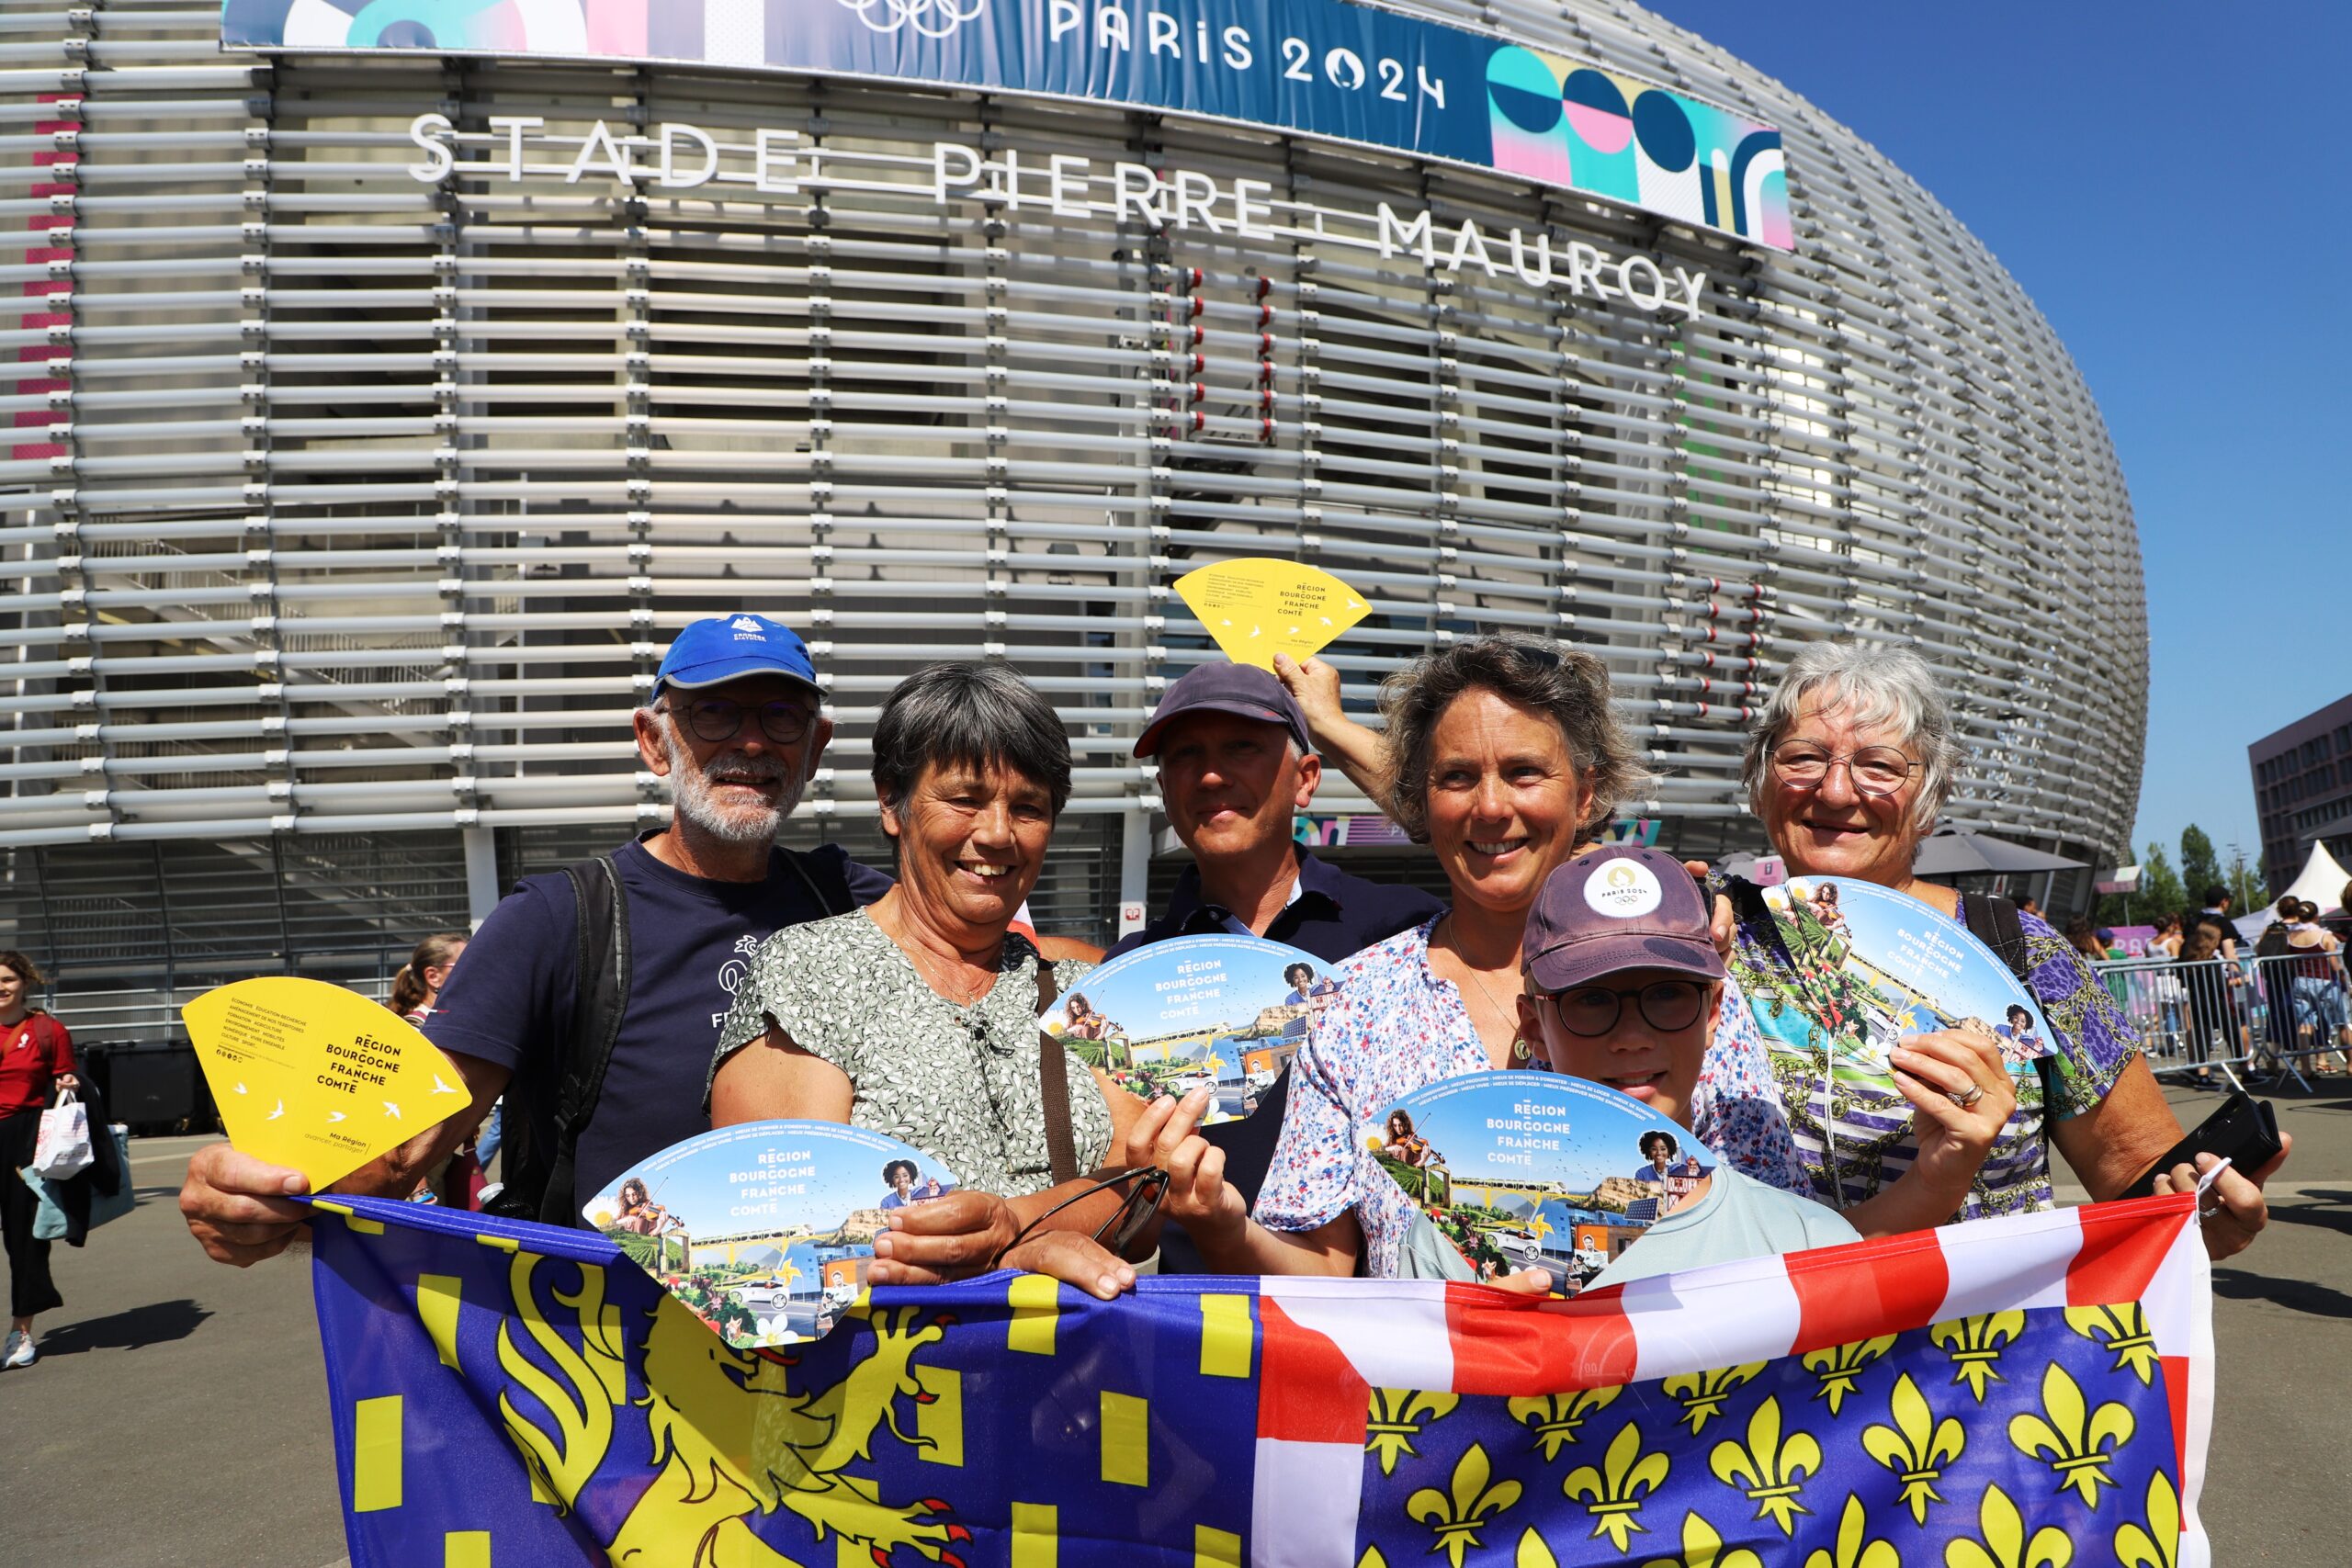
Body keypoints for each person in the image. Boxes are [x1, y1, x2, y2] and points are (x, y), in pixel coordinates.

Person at [181, 613, 894, 1264]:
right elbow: (403, 1146)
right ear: (653, 740)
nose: (750, 741)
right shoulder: (558, 918)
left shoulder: (862, 904)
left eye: (782, 717)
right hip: (606, 1353)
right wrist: (271, 1196)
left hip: (820, 1324)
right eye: (712, 712)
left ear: (816, 746)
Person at [1119, 636, 1808, 1279]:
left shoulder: (1681, 983)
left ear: (1587, 792)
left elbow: (1781, 1241)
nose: (1490, 806)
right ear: (1419, 800)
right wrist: (1223, 1228)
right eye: (1456, 777)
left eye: (1524, 771)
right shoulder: (1358, 1000)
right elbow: (1329, 1268)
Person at [1725, 640, 2282, 1258]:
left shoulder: (2020, 952)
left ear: (1929, 799)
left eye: (1879, 766)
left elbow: (2137, 1173)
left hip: (1984, 1342)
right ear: (1759, 780)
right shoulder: (1701, 940)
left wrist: (2203, 1212)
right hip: (1765, 1340)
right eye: (1803, 757)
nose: (1834, 791)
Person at [707, 662, 1182, 1300]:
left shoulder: (1087, 988)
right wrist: (1020, 1249)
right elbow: (779, 1246)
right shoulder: (807, 975)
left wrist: (1011, 1225)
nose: (996, 833)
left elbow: (1142, 1197)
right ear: (891, 803)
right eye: (964, 798)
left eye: (1028, 808)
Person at [1106, 660, 1442, 1266]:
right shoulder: (1133, 973)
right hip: (1196, 1324)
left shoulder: (1400, 929)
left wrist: (1332, 725)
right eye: (1184, 755)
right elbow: (1122, 1214)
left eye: (1242, 747)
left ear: (1306, 779)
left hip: (1373, 1326)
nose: (1210, 774)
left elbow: (1485, 820)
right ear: (1162, 788)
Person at [0, 952, 78, 1369]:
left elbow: (66, 1080)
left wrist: (68, 1080)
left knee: (23, 1240)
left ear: (24, 982)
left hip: (24, 1140)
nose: (1, 986)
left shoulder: (47, 1030)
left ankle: (21, 1333)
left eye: (8, 979)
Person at [387, 931, 468, 1026]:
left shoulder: (451, 1021)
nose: (477, 971)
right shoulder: (417, 1029)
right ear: (433, 976)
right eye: (465, 965)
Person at [879, 1159, 946, 1210]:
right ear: (892, 1180)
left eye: (905, 1175)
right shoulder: (886, 1202)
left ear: (911, 1177)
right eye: (897, 1177)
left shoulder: (918, 1193)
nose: (901, 1179)